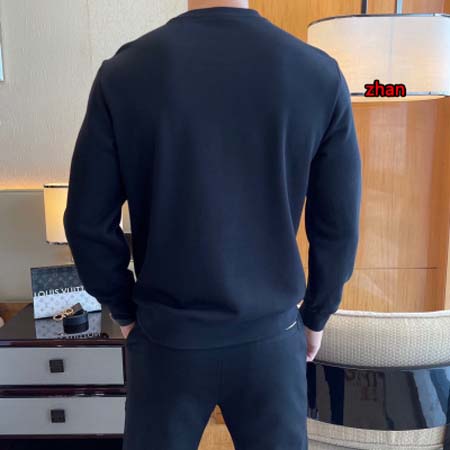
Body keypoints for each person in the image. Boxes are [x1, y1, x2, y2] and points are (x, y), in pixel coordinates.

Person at [63, 0, 362, 448]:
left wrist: (122, 308)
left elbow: (87, 222)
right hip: (271, 339)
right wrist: (317, 313)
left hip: (166, 337)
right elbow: (338, 225)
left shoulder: (124, 74)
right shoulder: (318, 74)